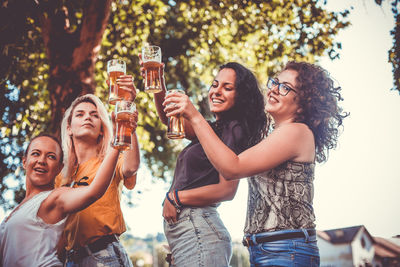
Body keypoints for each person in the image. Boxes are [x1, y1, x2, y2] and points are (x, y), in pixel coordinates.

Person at [164, 61, 349, 266]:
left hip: (286, 249)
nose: (274, 90)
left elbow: (232, 168)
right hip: (266, 249)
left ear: (305, 101)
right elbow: (211, 146)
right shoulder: (275, 137)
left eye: (285, 87)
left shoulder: (297, 131)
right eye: (275, 82)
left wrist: (194, 115)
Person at [140, 57, 266, 266]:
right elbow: (168, 118)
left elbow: (227, 191)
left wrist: (176, 197)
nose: (216, 91)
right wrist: (157, 82)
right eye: (215, 85)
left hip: (200, 232)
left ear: (241, 96)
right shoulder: (212, 130)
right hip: (189, 233)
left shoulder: (234, 129)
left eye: (227, 88)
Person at [0, 132, 122, 267]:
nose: (41, 161)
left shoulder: (54, 198)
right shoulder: (18, 209)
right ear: (24, 162)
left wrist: (115, 146)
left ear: (59, 168)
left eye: (51, 157)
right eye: (36, 153)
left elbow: (93, 192)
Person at [56, 87, 140, 266]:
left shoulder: (110, 161)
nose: (87, 117)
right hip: (71, 260)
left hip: (104, 254)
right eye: (80, 114)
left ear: (101, 129)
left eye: (94, 115)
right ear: (69, 128)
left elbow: (131, 167)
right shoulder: (61, 176)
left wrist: (128, 126)